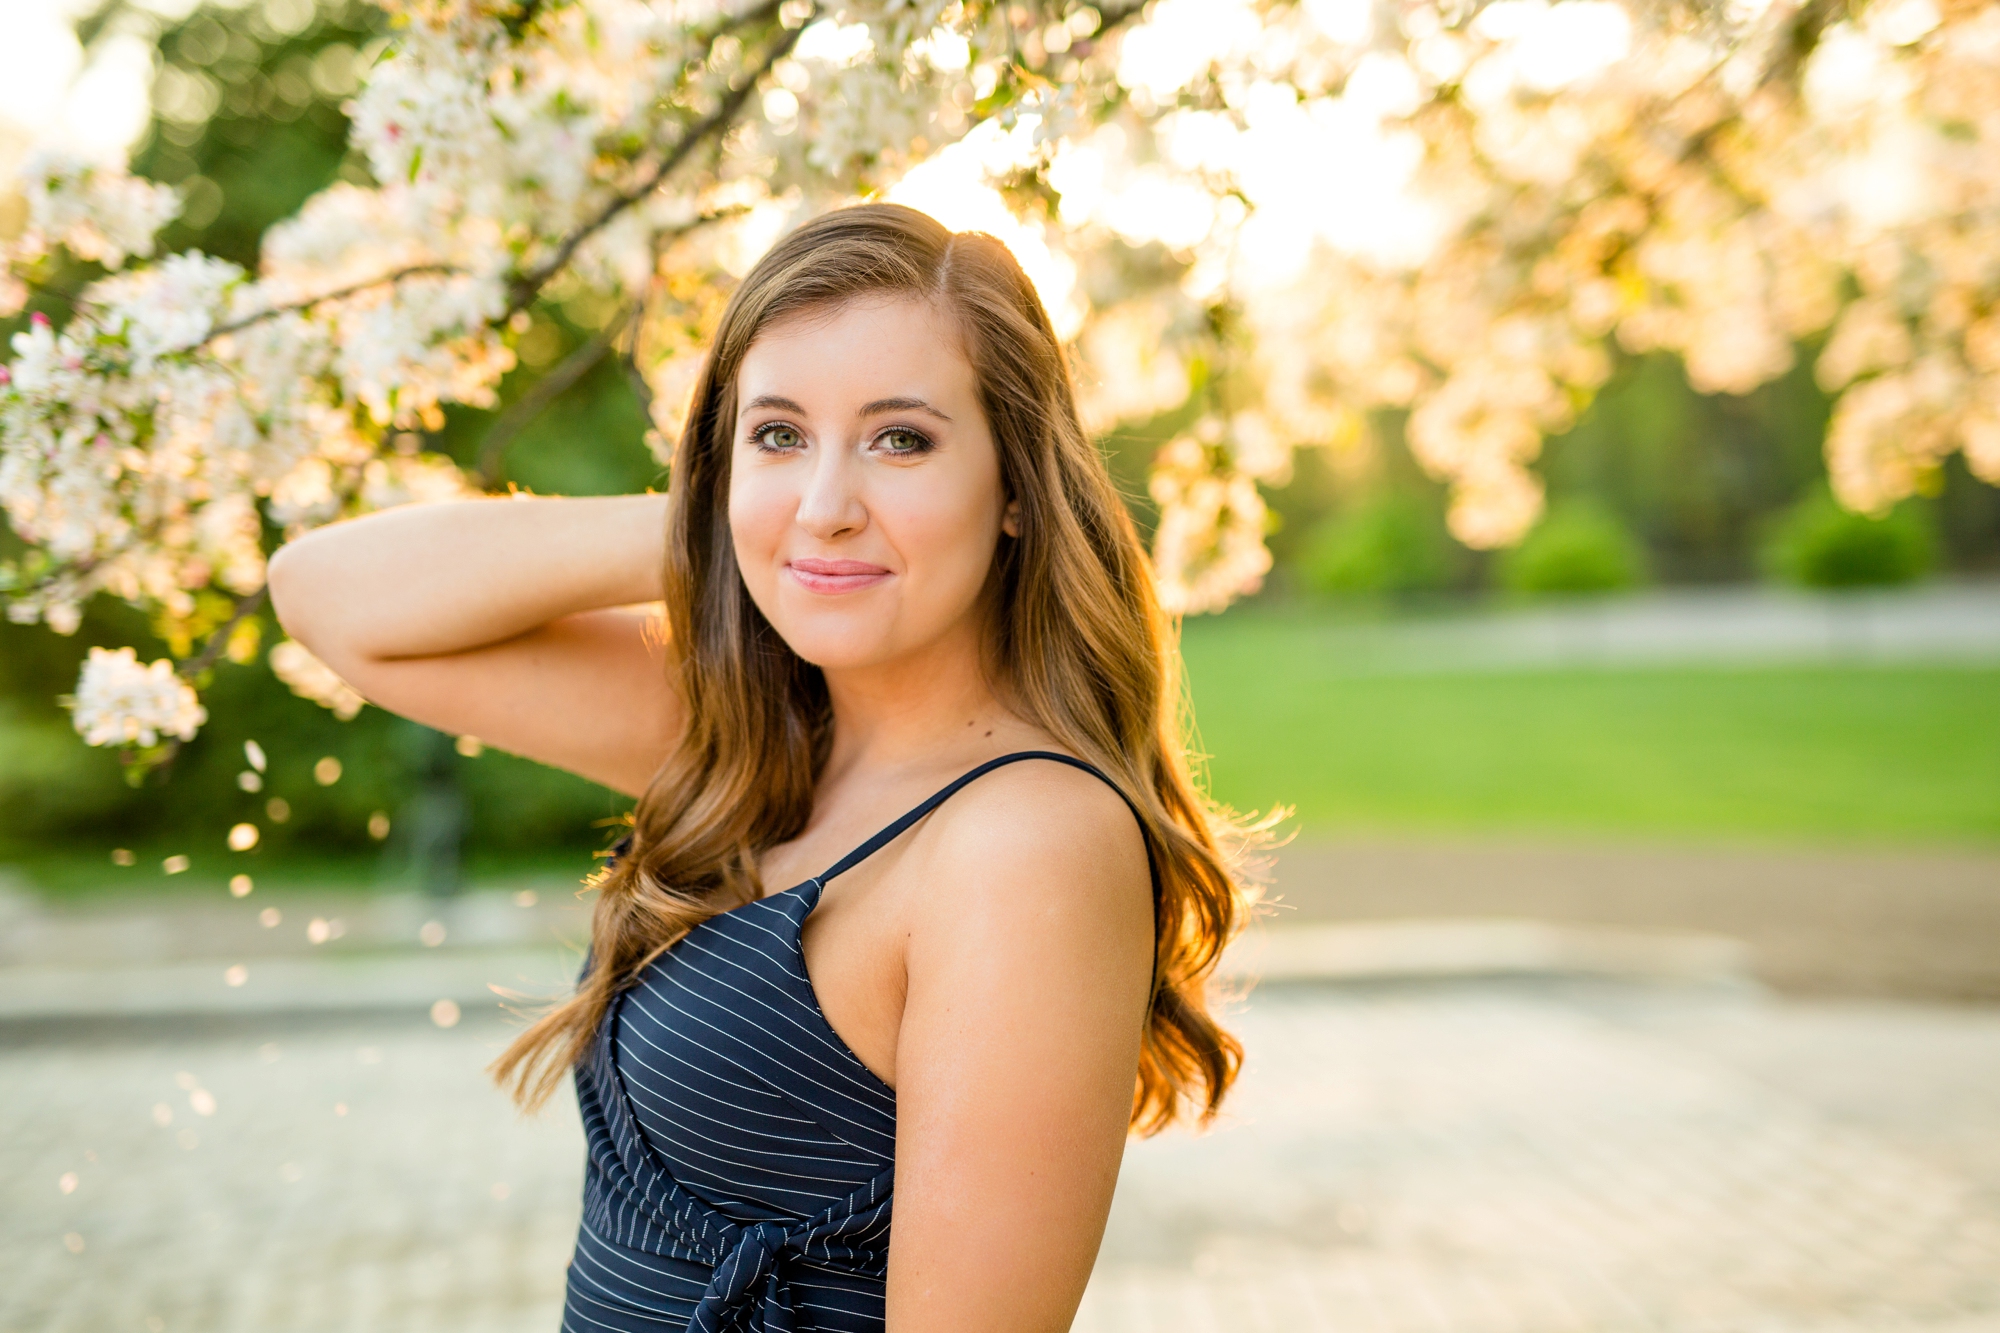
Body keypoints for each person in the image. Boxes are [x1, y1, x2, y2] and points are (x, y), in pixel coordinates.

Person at [268, 203, 1261, 1332]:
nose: (828, 507)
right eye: (778, 435)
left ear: (1019, 489)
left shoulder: (1023, 841)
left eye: (901, 439)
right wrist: (734, 527)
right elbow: (330, 596)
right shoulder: (756, 736)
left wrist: (770, 510)